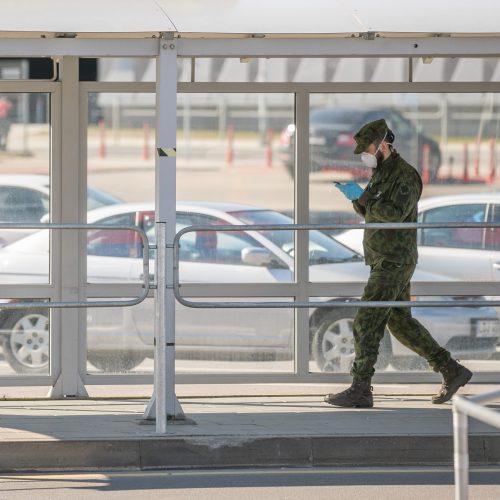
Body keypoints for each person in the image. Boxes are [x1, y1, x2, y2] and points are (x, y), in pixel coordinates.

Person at [326, 118, 472, 408]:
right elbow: (373, 209)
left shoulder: (404, 176)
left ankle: (361, 387)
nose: (365, 154)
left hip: (394, 260)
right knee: (400, 323)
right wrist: (358, 198)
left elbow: (391, 214)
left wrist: (364, 198)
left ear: (382, 144)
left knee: (366, 320)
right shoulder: (381, 172)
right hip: (384, 259)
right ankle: (451, 370)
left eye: (367, 148)